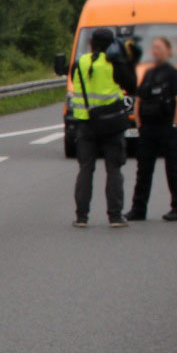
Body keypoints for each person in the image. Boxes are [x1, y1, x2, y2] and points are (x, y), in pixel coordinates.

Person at [69, 27, 138, 228]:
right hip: (112, 123)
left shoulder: (80, 62)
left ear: (91, 43)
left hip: (85, 123)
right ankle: (115, 216)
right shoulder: (115, 63)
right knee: (114, 169)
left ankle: (82, 216)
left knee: (85, 169)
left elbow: (75, 85)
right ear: (112, 43)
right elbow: (132, 86)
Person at [128, 35, 177, 221]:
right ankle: (138, 209)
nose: (156, 51)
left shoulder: (173, 74)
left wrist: (175, 124)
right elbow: (139, 99)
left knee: (173, 170)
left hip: (167, 128)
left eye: (159, 48)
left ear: (168, 51)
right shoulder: (148, 74)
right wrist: (139, 122)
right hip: (148, 129)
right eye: (154, 48)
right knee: (143, 170)